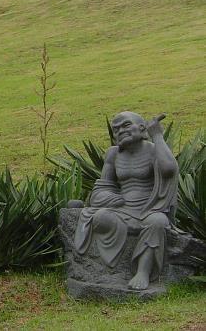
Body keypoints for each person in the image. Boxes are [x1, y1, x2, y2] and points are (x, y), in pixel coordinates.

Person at [73, 112, 178, 290]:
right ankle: (108, 271)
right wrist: (107, 198)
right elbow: (102, 187)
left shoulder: (153, 150)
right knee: (100, 217)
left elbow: (169, 170)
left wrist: (158, 135)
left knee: (158, 221)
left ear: (142, 128)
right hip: (122, 209)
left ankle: (142, 272)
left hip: (149, 209)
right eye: (116, 129)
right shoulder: (113, 154)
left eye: (126, 125)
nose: (120, 131)